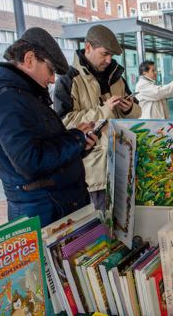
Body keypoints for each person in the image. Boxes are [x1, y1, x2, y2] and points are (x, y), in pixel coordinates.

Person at [0, 27, 98, 226]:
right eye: (51, 70)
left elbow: (46, 145)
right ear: (29, 59)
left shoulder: (25, 95)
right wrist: (76, 138)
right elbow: (30, 161)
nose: (53, 79)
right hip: (43, 213)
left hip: (54, 206)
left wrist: (79, 145)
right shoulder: (6, 101)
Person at [54, 24, 142, 212]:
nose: (109, 60)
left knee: (128, 223)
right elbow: (63, 122)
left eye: (112, 55)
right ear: (88, 47)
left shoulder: (117, 77)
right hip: (95, 174)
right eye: (104, 54)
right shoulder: (68, 79)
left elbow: (138, 111)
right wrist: (103, 110)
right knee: (103, 232)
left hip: (124, 165)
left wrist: (129, 108)